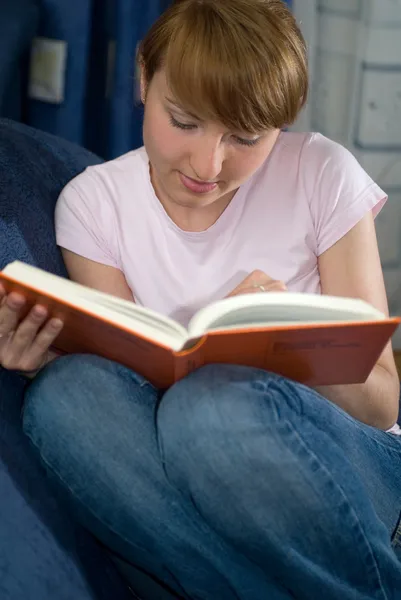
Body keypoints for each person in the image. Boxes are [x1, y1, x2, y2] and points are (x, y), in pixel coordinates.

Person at [0, 0, 400, 598]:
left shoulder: (322, 172)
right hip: (189, 469)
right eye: (184, 121)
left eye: (246, 137)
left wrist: (287, 345)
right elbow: (120, 387)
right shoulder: (94, 204)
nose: (208, 166)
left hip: (349, 469)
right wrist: (50, 356)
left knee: (210, 410)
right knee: (66, 399)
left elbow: (382, 406)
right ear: (144, 78)